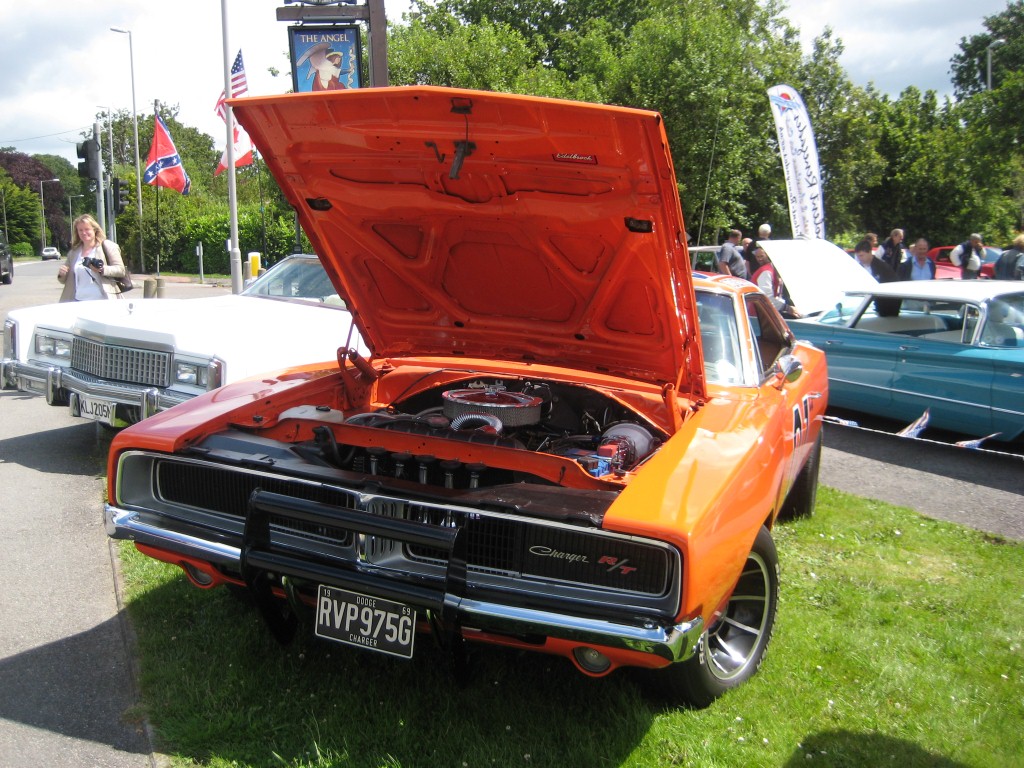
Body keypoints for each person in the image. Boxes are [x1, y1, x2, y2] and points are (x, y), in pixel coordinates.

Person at [58, 214, 128, 302]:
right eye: (80, 230)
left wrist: (102, 269)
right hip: (78, 300)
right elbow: (64, 280)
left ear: (94, 230)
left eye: (87, 229)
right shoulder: (73, 252)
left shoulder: (107, 246)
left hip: (103, 300)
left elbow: (121, 270)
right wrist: (62, 274)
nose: (84, 233)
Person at [751, 245, 800, 317]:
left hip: (766, 312)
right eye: (758, 257)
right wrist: (788, 308)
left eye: (761, 256)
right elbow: (766, 298)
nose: (759, 259)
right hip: (759, 315)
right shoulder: (766, 272)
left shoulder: (771, 270)